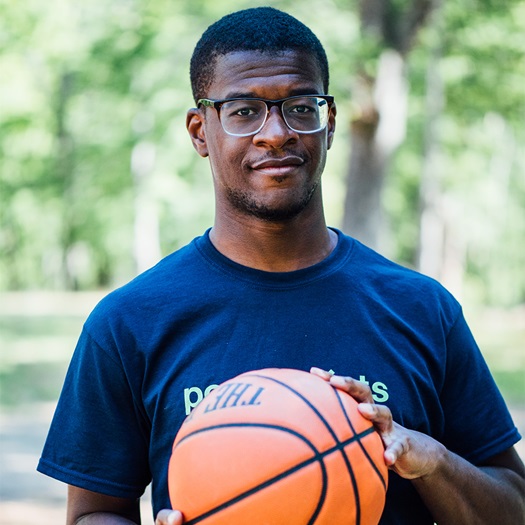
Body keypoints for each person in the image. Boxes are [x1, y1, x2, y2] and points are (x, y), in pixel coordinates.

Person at [38, 6, 524, 525]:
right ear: (201, 131)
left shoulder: (422, 309)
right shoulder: (129, 322)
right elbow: (92, 514)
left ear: (329, 123)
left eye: (299, 106)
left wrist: (431, 462)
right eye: (244, 110)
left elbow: (513, 506)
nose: (276, 133)